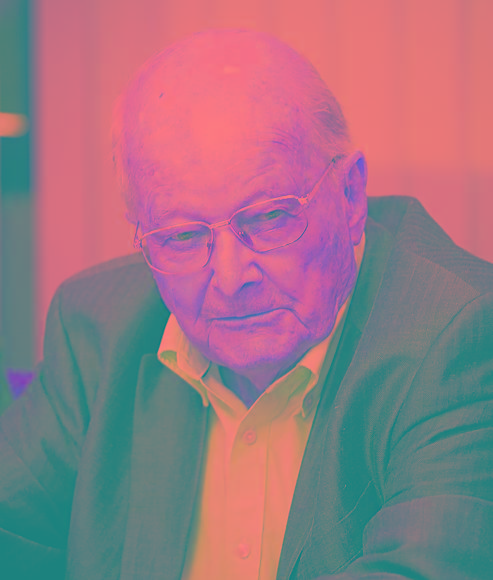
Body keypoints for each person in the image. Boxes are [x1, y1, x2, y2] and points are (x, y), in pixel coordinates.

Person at [0, 28, 492, 580]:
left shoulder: (458, 338)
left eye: (269, 218)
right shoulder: (98, 328)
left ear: (350, 196)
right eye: (183, 237)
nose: (231, 279)